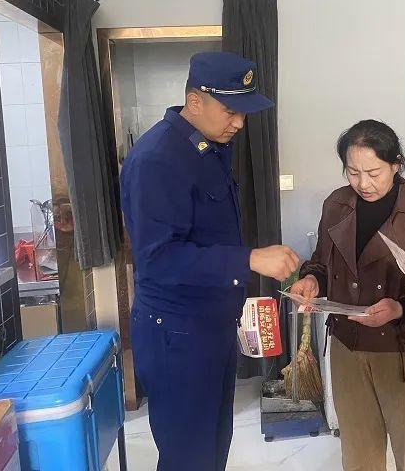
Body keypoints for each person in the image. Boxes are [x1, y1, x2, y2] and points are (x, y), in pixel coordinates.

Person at [120, 52, 299, 471]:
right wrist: (249, 259)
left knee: (213, 447)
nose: (239, 123)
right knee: (189, 456)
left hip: (209, 326)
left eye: (244, 112)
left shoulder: (208, 148)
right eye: (231, 111)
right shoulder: (158, 160)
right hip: (177, 334)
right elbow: (159, 259)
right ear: (195, 101)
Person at [288, 120, 405, 471]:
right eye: (353, 172)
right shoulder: (337, 204)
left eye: (373, 172)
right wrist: (312, 281)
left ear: (396, 164)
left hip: (402, 351)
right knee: (358, 453)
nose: (363, 183)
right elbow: (321, 262)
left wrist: (399, 309)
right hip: (347, 346)